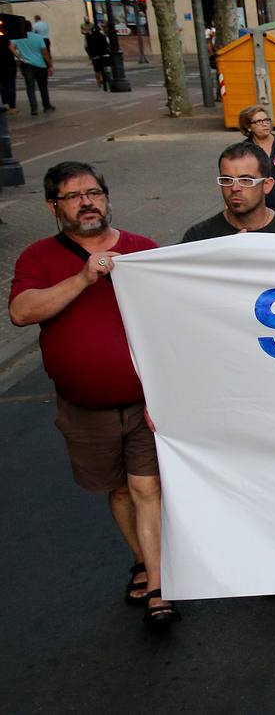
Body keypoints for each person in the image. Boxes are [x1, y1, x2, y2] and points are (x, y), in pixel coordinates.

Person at [8, 162, 177, 626]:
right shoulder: (38, 257)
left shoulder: (141, 250)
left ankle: (160, 589)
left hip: (144, 403)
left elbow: (176, 314)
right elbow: (22, 313)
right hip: (85, 408)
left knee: (148, 486)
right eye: (73, 195)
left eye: (94, 192)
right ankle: (145, 560)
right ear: (52, 207)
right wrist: (84, 278)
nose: (87, 202)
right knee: (119, 490)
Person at [183, 142, 275, 242]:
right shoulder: (199, 237)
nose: (235, 188)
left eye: (246, 180)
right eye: (226, 180)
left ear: (267, 185)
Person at [9, 23, 54, 116]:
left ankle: (34, 108)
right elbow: (45, 52)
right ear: (31, 27)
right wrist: (50, 65)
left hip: (27, 65)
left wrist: (19, 58)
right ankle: (47, 106)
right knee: (43, 87)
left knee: (30, 87)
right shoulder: (38, 37)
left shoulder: (18, 37)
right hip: (40, 65)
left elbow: (11, 47)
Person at [84, 22, 112, 91]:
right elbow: (108, 44)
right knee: (107, 68)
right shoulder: (103, 36)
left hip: (95, 56)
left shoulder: (89, 37)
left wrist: (90, 55)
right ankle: (109, 79)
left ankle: (99, 83)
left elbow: (86, 47)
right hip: (105, 54)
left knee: (97, 71)